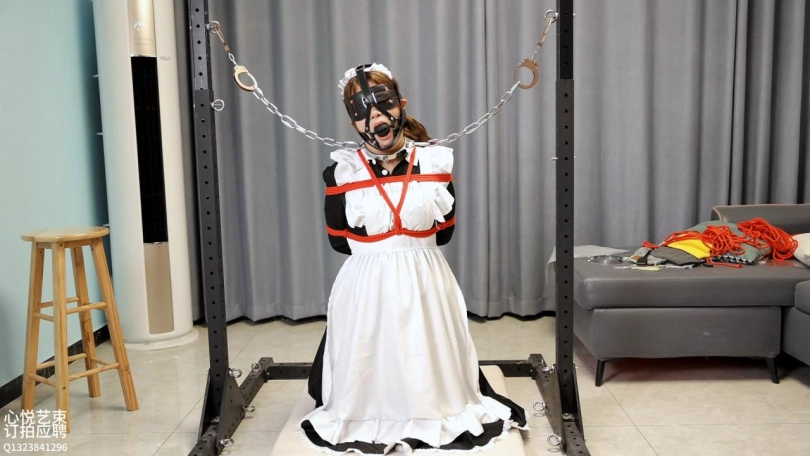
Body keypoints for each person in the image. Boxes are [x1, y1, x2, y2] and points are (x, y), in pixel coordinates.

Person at [300, 63, 527, 454]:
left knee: (426, 356)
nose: (375, 117)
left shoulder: (435, 163)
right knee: (371, 355)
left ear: (401, 104)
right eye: (361, 110)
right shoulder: (341, 173)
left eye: (382, 104)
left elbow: (445, 232)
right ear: (353, 122)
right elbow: (339, 240)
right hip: (367, 286)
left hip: (425, 282)